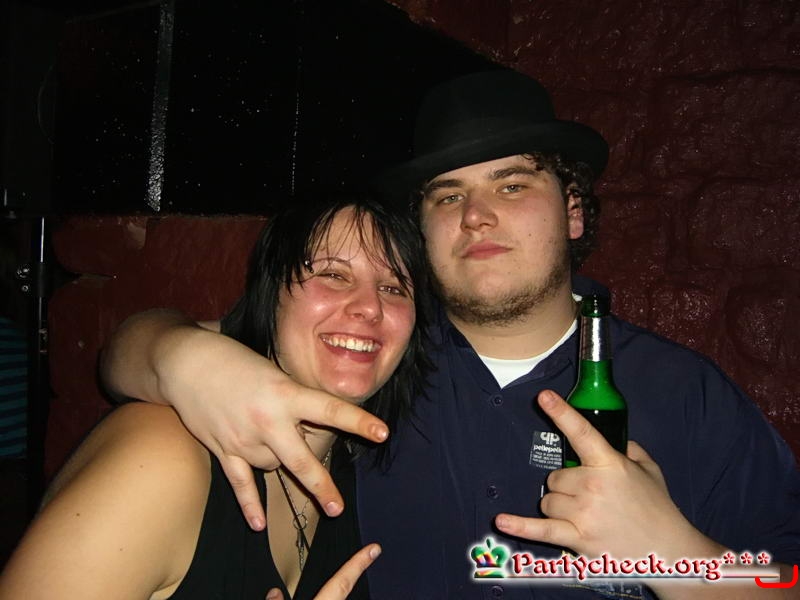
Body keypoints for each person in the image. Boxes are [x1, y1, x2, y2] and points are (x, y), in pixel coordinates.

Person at [97, 70, 800, 599]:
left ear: (574, 212)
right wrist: (183, 357)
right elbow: (132, 351)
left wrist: (673, 554)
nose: (476, 216)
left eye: (512, 185)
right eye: (447, 195)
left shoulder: (686, 396)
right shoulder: (371, 354)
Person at [0, 193, 432, 600]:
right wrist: (177, 352)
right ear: (270, 294)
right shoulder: (161, 456)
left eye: (394, 288)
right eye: (333, 275)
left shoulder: (367, 469)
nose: (369, 307)